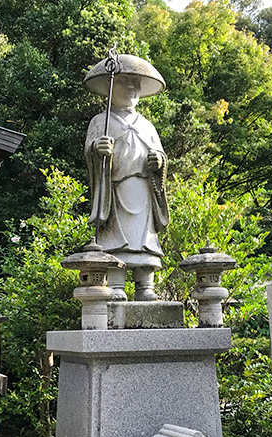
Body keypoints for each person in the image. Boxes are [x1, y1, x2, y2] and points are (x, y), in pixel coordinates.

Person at [84, 54, 168, 301]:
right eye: (124, 82)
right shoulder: (101, 121)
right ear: (110, 88)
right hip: (115, 190)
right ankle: (118, 285)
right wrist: (97, 151)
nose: (131, 88)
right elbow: (89, 151)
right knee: (117, 237)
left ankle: (146, 287)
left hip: (143, 187)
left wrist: (159, 161)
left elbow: (160, 154)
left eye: (135, 83)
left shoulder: (147, 125)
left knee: (145, 239)